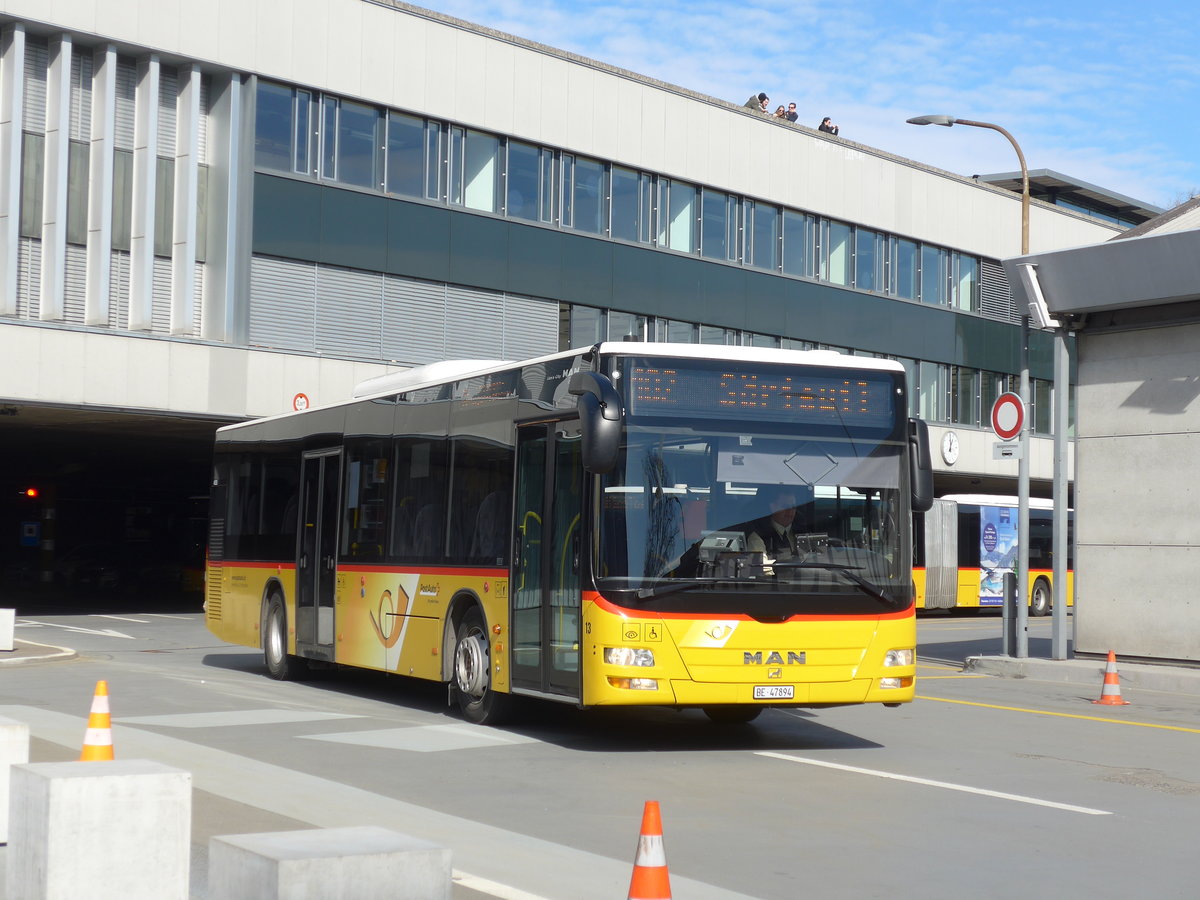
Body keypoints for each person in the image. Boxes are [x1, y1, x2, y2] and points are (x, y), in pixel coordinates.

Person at [746, 487, 802, 563]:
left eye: (793, 507)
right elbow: (760, 566)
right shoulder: (758, 535)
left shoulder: (804, 531)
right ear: (773, 507)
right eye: (785, 506)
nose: (790, 511)